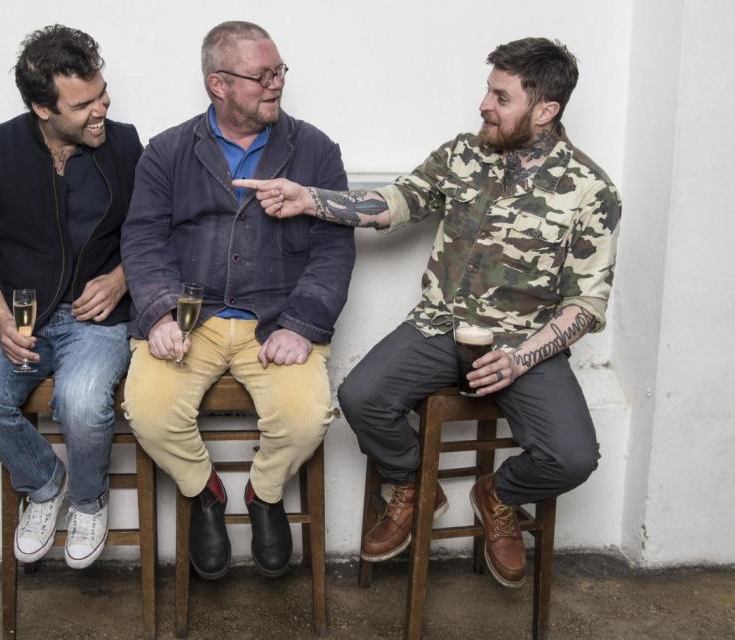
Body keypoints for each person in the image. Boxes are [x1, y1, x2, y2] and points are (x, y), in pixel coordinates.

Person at [236, 37, 620, 588]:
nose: (484, 105)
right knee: (360, 397)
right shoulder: (464, 154)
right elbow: (396, 202)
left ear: (546, 111)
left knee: (574, 457)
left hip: (525, 344)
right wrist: (309, 198)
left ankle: (499, 496)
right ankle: (414, 484)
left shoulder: (590, 190)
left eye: (500, 96)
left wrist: (520, 358)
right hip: (440, 324)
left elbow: (586, 302)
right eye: (488, 90)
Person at [120, 21, 355, 580]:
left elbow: (333, 250)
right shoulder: (168, 151)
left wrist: (301, 324)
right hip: (188, 319)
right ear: (218, 84)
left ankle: (265, 494)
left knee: (304, 419)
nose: (276, 85)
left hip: (276, 320)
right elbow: (143, 237)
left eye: (279, 72)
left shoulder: (315, 149)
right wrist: (156, 311)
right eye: (262, 76)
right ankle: (205, 494)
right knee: (148, 414)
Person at [0, 25, 142, 569]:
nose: (101, 109)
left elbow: (155, 232)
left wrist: (122, 277)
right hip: (19, 316)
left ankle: (88, 501)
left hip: (96, 319)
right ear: (42, 107)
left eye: (102, 94)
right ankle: (44, 484)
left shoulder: (126, 143)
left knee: (80, 405)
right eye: (83, 105)